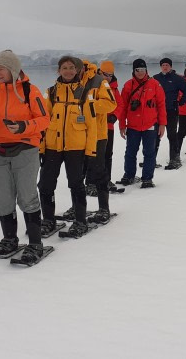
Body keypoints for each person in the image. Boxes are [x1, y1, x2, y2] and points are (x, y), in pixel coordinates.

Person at [0, 50, 50, 263]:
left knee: (27, 196)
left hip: (25, 150)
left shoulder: (30, 91)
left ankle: (35, 243)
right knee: (3, 198)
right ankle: (10, 239)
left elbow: (44, 119)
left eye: (2, 68)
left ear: (13, 70)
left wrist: (24, 127)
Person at [36, 56, 101, 238]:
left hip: (76, 148)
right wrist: (41, 148)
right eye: (64, 68)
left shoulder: (85, 94)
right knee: (46, 185)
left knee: (76, 184)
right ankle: (48, 219)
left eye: (72, 68)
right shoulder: (50, 93)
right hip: (52, 147)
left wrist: (91, 151)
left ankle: (80, 221)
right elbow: (42, 123)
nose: (68, 71)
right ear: (59, 70)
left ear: (77, 70)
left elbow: (91, 125)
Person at [118, 59, 167, 188]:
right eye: (137, 70)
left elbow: (161, 105)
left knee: (149, 153)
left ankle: (147, 178)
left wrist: (162, 124)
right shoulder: (128, 86)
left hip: (150, 125)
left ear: (146, 70)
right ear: (133, 71)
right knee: (130, 152)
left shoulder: (155, 84)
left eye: (143, 70)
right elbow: (122, 107)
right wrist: (122, 125)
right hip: (133, 126)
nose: (140, 72)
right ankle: (129, 175)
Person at [80, 59, 117, 225]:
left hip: (98, 134)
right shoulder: (69, 82)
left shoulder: (99, 81)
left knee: (99, 170)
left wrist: (89, 106)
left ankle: (104, 208)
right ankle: (78, 207)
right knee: (77, 173)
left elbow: (110, 103)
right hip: (76, 135)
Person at [153, 57, 186, 170]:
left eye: (167, 65)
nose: (165, 67)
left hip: (171, 111)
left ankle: (174, 160)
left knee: (172, 135)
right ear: (161, 66)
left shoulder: (176, 78)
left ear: (171, 66)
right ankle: (151, 160)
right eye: (163, 65)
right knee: (155, 136)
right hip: (157, 112)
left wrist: (181, 102)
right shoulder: (155, 78)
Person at [98, 61, 123, 192]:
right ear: (100, 72)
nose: (107, 77)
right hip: (95, 127)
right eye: (105, 74)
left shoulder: (114, 88)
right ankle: (91, 182)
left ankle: (106, 180)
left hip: (108, 127)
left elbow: (120, 104)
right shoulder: (93, 85)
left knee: (108, 154)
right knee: (94, 155)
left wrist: (115, 116)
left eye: (110, 74)